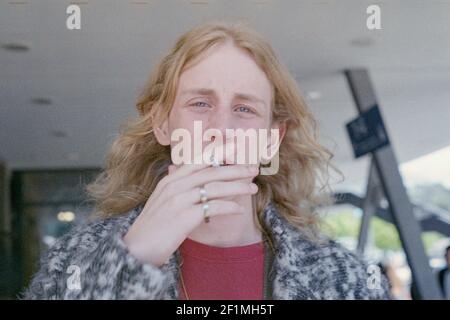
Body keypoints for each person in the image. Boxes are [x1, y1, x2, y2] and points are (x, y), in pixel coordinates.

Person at [24, 21, 390, 300]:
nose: (221, 129)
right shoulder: (76, 261)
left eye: (244, 108)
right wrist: (131, 260)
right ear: (163, 124)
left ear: (270, 139)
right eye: (200, 103)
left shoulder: (346, 278)